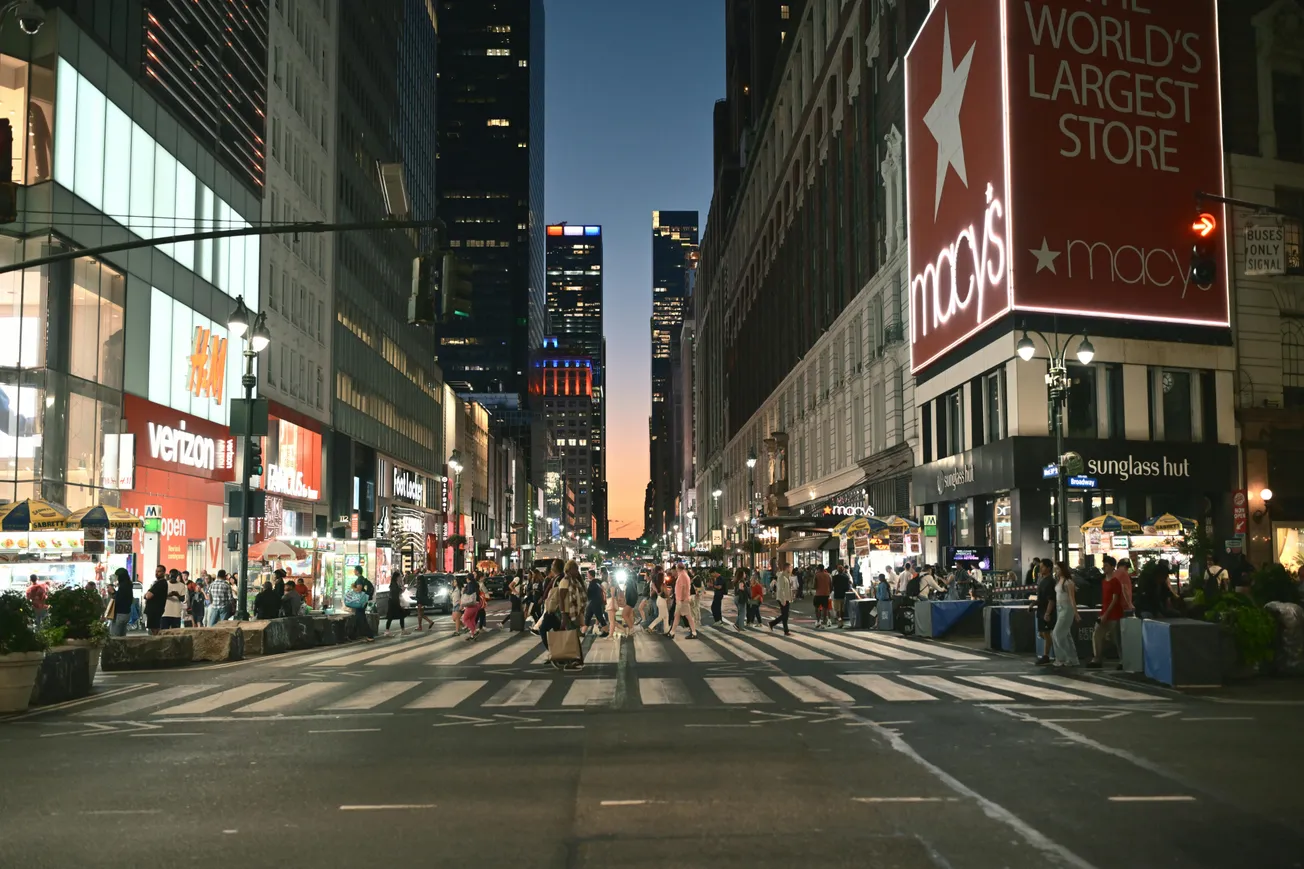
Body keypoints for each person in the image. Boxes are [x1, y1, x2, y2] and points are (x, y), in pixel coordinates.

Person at [1089, 558, 1131, 669]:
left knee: (1116, 638)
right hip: (1105, 612)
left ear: (1113, 567)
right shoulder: (1104, 581)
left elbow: (1114, 599)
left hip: (1114, 613)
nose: (1104, 567)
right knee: (1097, 634)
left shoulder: (1115, 582)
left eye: (1106, 565)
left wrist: (1106, 614)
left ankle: (1123, 660)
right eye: (1104, 565)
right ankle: (1097, 658)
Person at [1049, 562, 1081, 667]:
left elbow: (1072, 599)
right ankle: (1070, 658)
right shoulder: (1059, 581)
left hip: (1067, 609)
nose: (1056, 571)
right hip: (1060, 609)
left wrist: (1076, 613)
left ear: (1063, 569)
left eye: (1058, 569)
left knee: (1056, 634)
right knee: (1066, 635)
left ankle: (1064, 657)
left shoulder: (1068, 582)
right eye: (1055, 569)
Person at [669, 561, 699, 639]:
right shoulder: (684, 575)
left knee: (688, 616)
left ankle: (694, 632)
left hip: (682, 600)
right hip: (681, 599)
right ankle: (672, 632)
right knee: (677, 616)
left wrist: (681, 599)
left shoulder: (682, 576)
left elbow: (683, 588)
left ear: (678, 568)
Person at [1034, 560, 1057, 665]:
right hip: (1040, 610)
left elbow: (1051, 600)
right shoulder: (1042, 580)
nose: (1041, 569)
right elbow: (1041, 597)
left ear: (1048, 568)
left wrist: (1048, 613)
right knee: (1042, 633)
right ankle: (1053, 649)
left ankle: (1046, 655)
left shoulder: (1050, 581)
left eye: (1043, 567)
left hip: (1046, 611)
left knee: (1046, 634)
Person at [769, 558, 796, 635]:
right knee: (785, 614)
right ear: (786, 568)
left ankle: (785, 630)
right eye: (790, 567)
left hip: (786, 598)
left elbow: (786, 588)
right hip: (782, 598)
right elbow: (781, 589)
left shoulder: (786, 576)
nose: (791, 569)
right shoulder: (781, 576)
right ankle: (773, 624)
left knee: (785, 615)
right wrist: (783, 599)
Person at [143, 567, 168, 635]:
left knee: (154, 630)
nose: (156, 573)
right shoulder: (157, 583)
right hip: (154, 610)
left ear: (163, 572)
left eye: (159, 571)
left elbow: (148, 596)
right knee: (153, 628)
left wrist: (146, 595)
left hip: (155, 610)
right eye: (156, 571)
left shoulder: (160, 583)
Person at [646, 568, 671, 635]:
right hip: (662, 601)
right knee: (661, 616)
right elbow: (666, 594)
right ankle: (650, 627)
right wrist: (669, 596)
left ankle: (666, 629)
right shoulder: (663, 585)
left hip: (659, 600)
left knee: (665, 616)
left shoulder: (655, 583)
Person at [109, 568, 133, 637]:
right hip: (126, 613)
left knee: (115, 636)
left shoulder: (123, 586)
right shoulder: (128, 585)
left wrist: (113, 593)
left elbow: (119, 599)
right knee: (122, 636)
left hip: (119, 613)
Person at [585, 569, 608, 637]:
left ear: (590, 575)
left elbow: (589, 593)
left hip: (594, 602)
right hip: (598, 601)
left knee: (599, 617)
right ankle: (583, 631)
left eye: (587, 574)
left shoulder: (592, 583)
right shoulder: (598, 581)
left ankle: (606, 631)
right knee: (588, 616)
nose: (587, 575)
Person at [831, 562, 853, 628]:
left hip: (836, 595)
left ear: (837, 570)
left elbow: (832, 585)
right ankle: (842, 621)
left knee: (837, 609)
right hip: (843, 595)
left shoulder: (834, 577)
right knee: (842, 610)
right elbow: (848, 587)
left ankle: (839, 621)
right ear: (843, 570)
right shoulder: (846, 577)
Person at [620, 569, 638, 639]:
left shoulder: (628, 581)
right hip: (633, 599)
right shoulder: (632, 581)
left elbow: (628, 592)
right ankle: (631, 628)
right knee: (629, 614)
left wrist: (626, 601)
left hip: (630, 600)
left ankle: (631, 628)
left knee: (624, 615)